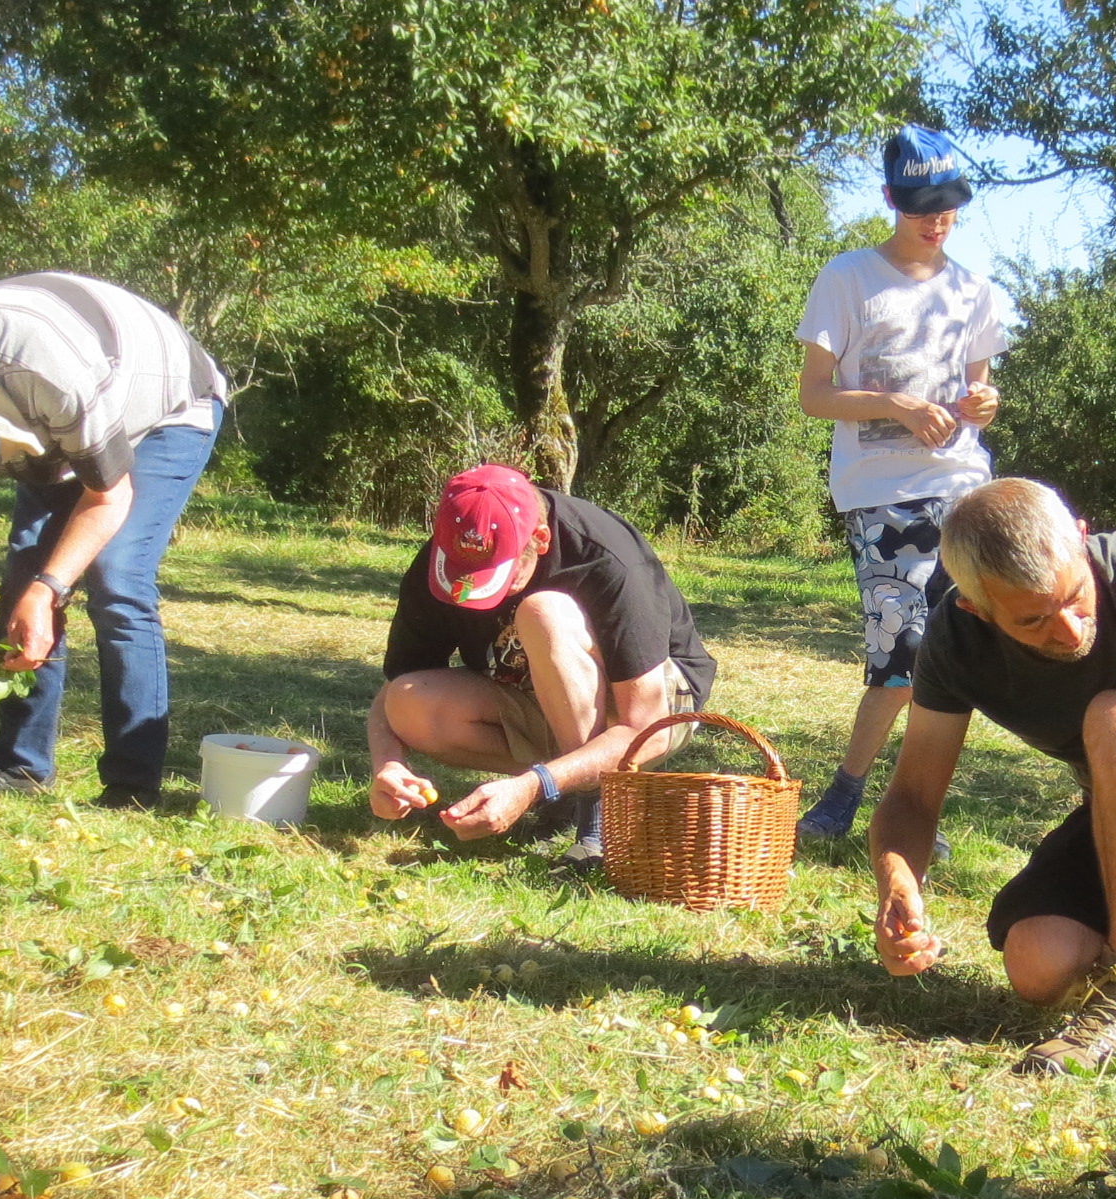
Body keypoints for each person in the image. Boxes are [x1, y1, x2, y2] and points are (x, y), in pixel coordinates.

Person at [869, 479, 1116, 1075]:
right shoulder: (957, 643)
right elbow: (912, 794)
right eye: (1033, 619)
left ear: (1082, 540)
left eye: (1075, 597)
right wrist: (897, 884)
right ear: (976, 609)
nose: (1067, 631)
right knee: (1038, 963)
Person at [0, 272, 229, 809]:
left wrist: (48, 589)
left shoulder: (55, 379)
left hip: (167, 407)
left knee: (116, 577)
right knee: (22, 580)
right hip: (56, 409)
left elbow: (108, 497)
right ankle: (20, 766)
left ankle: (133, 784)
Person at [791, 125, 1017, 843]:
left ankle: (913, 804)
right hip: (880, 494)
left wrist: (985, 404)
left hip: (962, 486)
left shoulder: (976, 291)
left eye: (949, 205)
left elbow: (981, 394)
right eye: (923, 204)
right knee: (900, 655)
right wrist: (892, 403)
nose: (937, 218)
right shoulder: (848, 278)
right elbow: (815, 396)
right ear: (891, 199)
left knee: (951, 656)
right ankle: (845, 793)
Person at [367, 464, 717, 863]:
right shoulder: (444, 562)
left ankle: (597, 817)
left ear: (541, 538)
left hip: (657, 707)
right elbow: (398, 685)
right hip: (541, 699)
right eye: (465, 576)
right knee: (410, 700)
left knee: (543, 612)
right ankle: (571, 784)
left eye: (498, 576)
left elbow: (647, 728)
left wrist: (535, 785)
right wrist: (387, 764)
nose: (478, 593)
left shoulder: (606, 557)